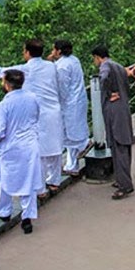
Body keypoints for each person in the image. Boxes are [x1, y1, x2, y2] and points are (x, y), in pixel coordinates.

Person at [0, 39, 63, 190]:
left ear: (28, 53)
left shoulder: (25, 69)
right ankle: (55, 181)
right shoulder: (51, 67)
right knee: (55, 147)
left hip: (39, 113)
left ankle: (41, 187)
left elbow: (0, 71)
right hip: (54, 111)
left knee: (41, 151)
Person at [0, 69, 44, 234]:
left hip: (10, 148)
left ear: (6, 83)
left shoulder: (5, 104)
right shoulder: (32, 98)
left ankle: (4, 211)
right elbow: (35, 118)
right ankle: (27, 217)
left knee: (5, 181)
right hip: (29, 145)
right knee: (29, 182)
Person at [91, 45, 135, 200]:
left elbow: (103, 77)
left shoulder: (105, 66)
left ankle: (125, 185)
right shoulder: (118, 66)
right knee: (124, 145)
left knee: (118, 146)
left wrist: (109, 93)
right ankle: (122, 179)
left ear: (97, 57)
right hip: (123, 107)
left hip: (114, 110)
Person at [49, 39, 89, 176]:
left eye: (53, 49)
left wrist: (57, 103)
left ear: (59, 51)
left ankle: (84, 145)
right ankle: (72, 165)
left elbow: (63, 89)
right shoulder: (73, 60)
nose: (52, 52)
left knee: (68, 134)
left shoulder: (61, 67)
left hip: (69, 103)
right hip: (79, 99)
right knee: (73, 132)